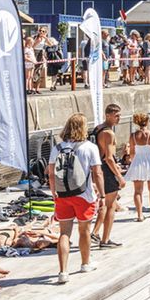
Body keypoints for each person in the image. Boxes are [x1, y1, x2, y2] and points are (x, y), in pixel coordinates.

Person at [47, 113, 105, 285]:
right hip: (84, 195)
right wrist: (102, 194)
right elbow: (97, 173)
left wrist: (53, 192)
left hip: (62, 195)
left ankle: (63, 271)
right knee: (84, 230)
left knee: (64, 233)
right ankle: (85, 263)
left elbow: (51, 173)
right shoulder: (89, 147)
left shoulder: (57, 148)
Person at [90, 104, 125, 250]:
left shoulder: (98, 128)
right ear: (108, 115)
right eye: (116, 115)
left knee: (103, 203)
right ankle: (105, 239)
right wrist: (119, 176)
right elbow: (109, 158)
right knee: (111, 206)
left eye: (119, 115)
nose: (119, 118)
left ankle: (96, 232)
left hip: (97, 167)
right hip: (107, 170)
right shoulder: (109, 133)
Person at [124, 111, 150, 220]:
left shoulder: (133, 136)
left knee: (137, 191)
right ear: (147, 121)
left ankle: (139, 215)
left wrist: (133, 162)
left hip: (138, 162)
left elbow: (131, 152)